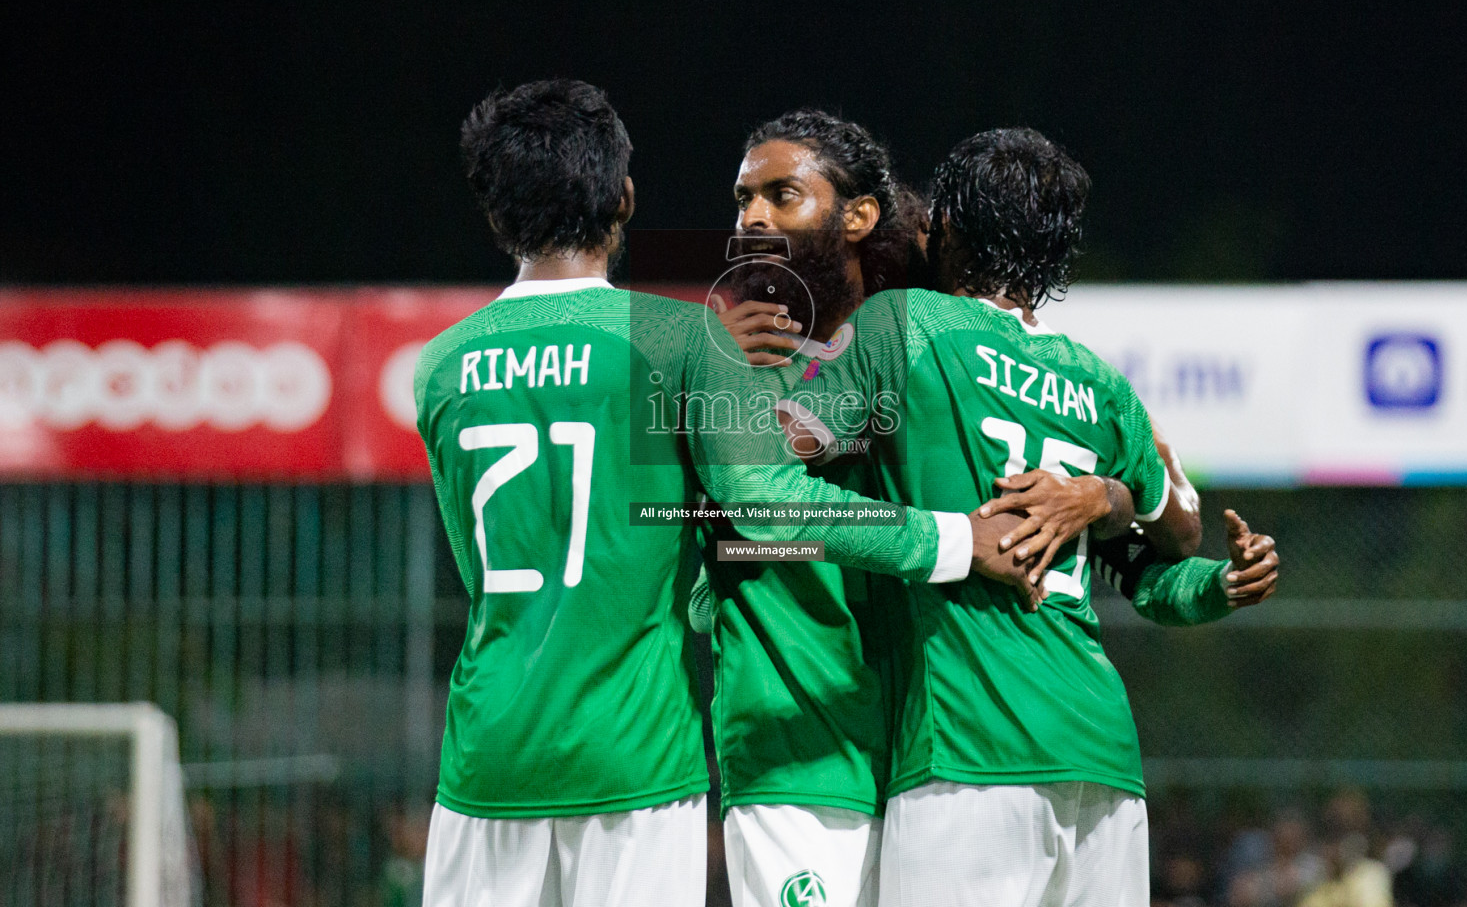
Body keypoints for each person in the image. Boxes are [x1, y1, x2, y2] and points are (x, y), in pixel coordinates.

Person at [413, 80, 1031, 907]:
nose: (755, 218)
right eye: (749, 198)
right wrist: (957, 540)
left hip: (485, 752)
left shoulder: (439, 365)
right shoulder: (681, 339)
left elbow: (488, 563)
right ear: (624, 196)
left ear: (492, 213)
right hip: (642, 755)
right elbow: (759, 504)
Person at [703, 111, 1278, 906]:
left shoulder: (906, 327)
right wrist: (1117, 500)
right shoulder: (1099, 383)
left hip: (968, 749)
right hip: (1104, 758)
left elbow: (767, 467)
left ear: (940, 229)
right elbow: (1174, 537)